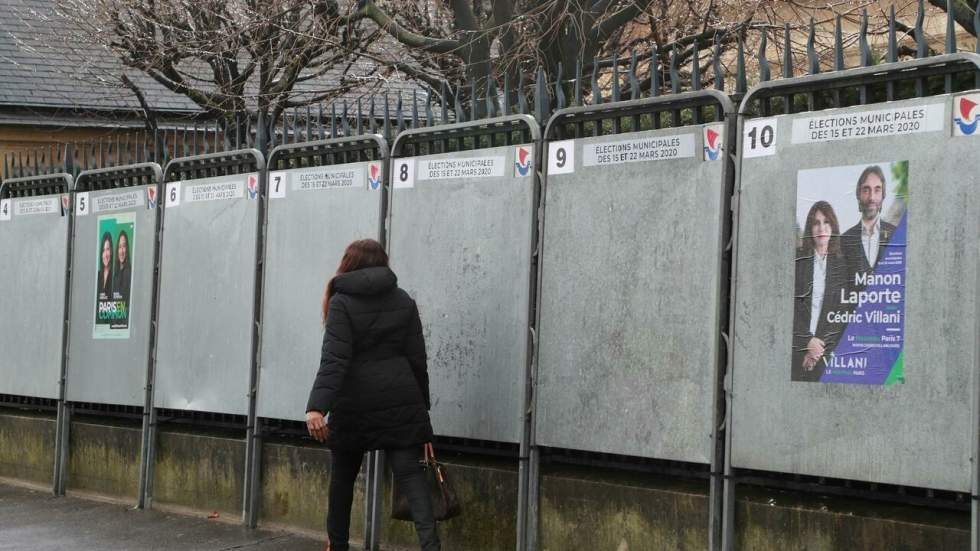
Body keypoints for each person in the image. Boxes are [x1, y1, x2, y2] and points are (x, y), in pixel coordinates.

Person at [306, 239, 440, 551]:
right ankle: (431, 546)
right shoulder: (403, 300)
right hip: (401, 399)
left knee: (342, 482)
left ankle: (338, 546)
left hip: (355, 403)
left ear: (348, 263)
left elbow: (335, 360)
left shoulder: (341, 302)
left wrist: (316, 408)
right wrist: (422, 412)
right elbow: (417, 359)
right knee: (413, 480)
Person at [793, 201, 847, 382]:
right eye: (816, 223)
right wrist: (807, 342)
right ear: (810, 228)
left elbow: (841, 313)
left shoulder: (840, 265)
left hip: (823, 354)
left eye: (826, 222)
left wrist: (816, 351)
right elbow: (788, 308)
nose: (821, 228)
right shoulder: (798, 259)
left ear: (833, 226)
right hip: (795, 349)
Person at [840, 165, 896, 285]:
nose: (871, 197)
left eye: (877, 190)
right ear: (858, 195)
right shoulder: (844, 240)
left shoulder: (896, 235)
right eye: (866, 190)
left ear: (883, 195)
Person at [112, 229, 131, 303]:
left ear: (127, 248)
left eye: (124, 246)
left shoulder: (129, 272)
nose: (122, 251)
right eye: (120, 247)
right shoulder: (115, 274)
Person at [97, 232, 114, 301]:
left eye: (108, 249)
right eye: (103, 250)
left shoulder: (115, 275)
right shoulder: (98, 276)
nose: (106, 255)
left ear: (112, 251)